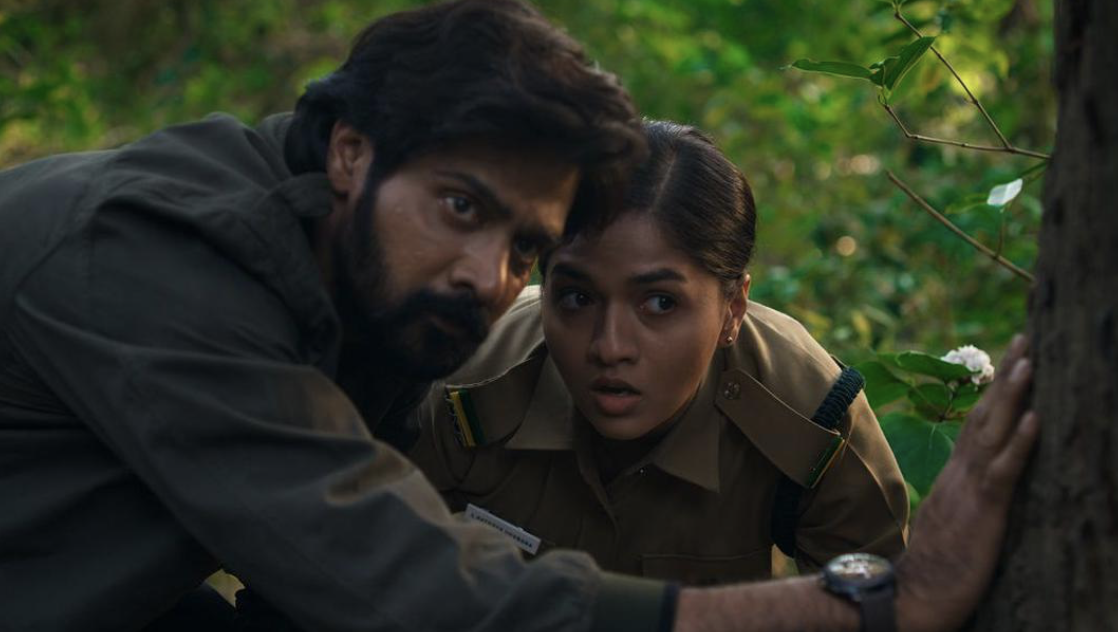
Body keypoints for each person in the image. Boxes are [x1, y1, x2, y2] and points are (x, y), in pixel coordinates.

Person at [0, 1, 1039, 631]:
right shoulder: (155, 259)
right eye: (462, 206)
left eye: (525, 248)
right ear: (351, 151)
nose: (487, 278)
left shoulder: (375, 279)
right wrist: (878, 606)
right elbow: (400, 584)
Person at [407, 121, 908, 584]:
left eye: (660, 303)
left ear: (732, 310)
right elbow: (376, 570)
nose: (610, 347)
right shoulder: (460, 372)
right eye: (577, 298)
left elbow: (877, 607)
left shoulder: (806, 412)